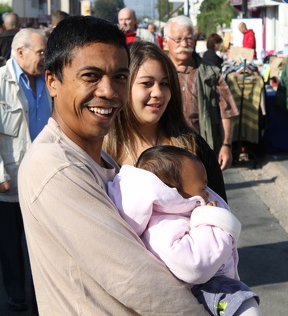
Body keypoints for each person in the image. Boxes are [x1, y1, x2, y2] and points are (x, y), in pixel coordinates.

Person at [18, 16, 211, 316]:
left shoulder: (98, 158)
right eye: (91, 76)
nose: (108, 91)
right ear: (53, 81)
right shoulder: (56, 166)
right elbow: (135, 278)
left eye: (120, 77)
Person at [108, 145, 261, 316]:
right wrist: (212, 222)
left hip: (205, 288)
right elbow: (195, 266)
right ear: (174, 191)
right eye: (203, 188)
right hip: (205, 291)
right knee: (245, 306)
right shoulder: (162, 224)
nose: (208, 195)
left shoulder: (173, 213)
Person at [104, 40, 228, 201]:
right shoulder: (102, 152)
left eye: (165, 83)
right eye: (147, 83)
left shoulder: (193, 147)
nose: (158, 93)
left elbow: (222, 211)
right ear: (123, 86)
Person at [0, 28, 51, 311]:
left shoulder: (49, 81)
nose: (45, 57)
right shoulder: (1, 83)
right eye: (41, 52)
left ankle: (38, 296)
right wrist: (0, 176)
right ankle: (16, 298)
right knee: (10, 245)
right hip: (11, 180)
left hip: (43, 179)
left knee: (39, 243)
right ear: (21, 53)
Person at [163, 16, 239, 171]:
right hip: (165, 151)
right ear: (165, 42)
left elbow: (227, 111)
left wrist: (226, 145)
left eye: (188, 39)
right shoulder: (157, 71)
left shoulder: (211, 72)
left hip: (202, 150)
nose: (184, 44)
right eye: (178, 39)